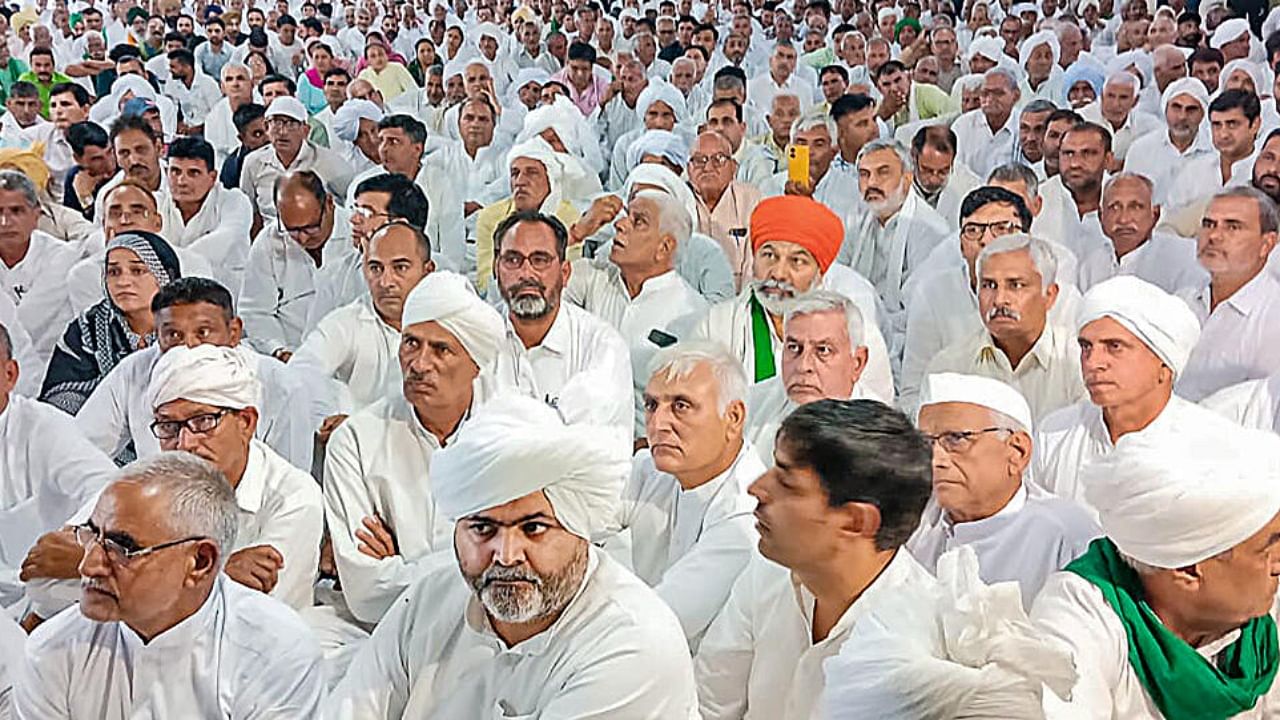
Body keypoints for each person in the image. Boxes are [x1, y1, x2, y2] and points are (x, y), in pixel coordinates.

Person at [330, 394, 698, 716]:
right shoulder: (427, 602)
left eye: (534, 528)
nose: (506, 556)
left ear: (580, 528)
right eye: (482, 529)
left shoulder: (633, 644)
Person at [14, 453, 325, 717]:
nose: (88, 565)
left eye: (122, 548)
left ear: (200, 562)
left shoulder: (274, 652)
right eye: (92, 536)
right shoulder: (53, 648)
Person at [694, 399, 934, 720]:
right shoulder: (768, 572)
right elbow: (707, 705)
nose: (756, 488)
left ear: (855, 521)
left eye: (786, 482)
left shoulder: (919, 645)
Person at [1031, 424, 1280, 718]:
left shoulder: (1259, 617)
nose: (1278, 562)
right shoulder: (1077, 618)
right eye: (1269, 547)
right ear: (1188, 569)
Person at [322, 270, 505, 627]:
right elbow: (366, 594)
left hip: (495, 627)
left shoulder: (511, 433)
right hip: (387, 630)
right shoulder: (356, 441)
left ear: (475, 364)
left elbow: (521, 567)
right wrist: (476, 555)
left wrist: (405, 567)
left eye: (441, 350)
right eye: (411, 343)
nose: (419, 365)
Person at [607, 341, 762, 647]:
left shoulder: (747, 516)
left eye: (681, 406)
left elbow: (662, 622)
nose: (658, 424)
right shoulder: (650, 469)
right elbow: (571, 518)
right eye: (652, 405)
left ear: (733, 418)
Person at [146, 344, 322, 610]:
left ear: (246, 422)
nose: (185, 443)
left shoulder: (293, 496)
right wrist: (221, 574)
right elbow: (90, 565)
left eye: (203, 421)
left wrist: (156, 579)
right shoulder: (150, 483)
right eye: (169, 426)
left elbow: (253, 613)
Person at [76, 277, 315, 471]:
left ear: (234, 333)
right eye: (174, 336)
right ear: (156, 336)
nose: (189, 346)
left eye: (203, 332)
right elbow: (81, 451)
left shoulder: (282, 384)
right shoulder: (136, 371)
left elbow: (289, 477)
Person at [1034, 275, 1226, 511]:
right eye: (1086, 347)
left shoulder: (1208, 447)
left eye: (1114, 347)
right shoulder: (1054, 434)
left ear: (1164, 365)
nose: (1093, 362)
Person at [908, 372, 1098, 607]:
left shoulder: (1068, 538)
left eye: (956, 439)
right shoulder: (912, 520)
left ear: (1017, 452)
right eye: (926, 443)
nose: (936, 459)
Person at [694, 195, 894, 403]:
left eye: (796, 261)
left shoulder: (856, 334)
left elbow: (876, 419)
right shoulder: (717, 326)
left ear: (820, 274)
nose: (778, 273)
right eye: (769, 256)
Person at [565, 189, 708, 435]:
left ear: (664, 248)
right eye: (625, 216)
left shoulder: (692, 313)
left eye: (637, 221)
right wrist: (577, 232)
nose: (619, 225)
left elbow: (694, 410)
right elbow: (529, 285)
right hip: (577, 436)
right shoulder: (593, 277)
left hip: (647, 453)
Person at [0, 320, 116, 610]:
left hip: (41, 600)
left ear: (10, 374)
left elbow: (108, 490)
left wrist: (78, 540)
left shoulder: (42, 427)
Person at [490, 210, 632, 432]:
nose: (526, 273)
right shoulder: (475, 336)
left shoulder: (601, 346)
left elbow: (588, 448)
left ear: (565, 273)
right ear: (495, 269)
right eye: (513, 260)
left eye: (540, 260)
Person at [924, 234, 1085, 420]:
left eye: (1015, 285)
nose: (999, 300)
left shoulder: (1077, 363)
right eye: (989, 285)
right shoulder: (949, 367)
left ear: (1050, 295)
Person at [291, 220, 433, 419]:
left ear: (427, 271)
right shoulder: (348, 321)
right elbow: (299, 373)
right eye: (376, 268)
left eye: (400, 268)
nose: (385, 282)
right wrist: (334, 415)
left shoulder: (450, 321)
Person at [39, 231, 179, 415]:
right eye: (114, 272)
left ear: (164, 276)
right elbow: (60, 394)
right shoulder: (87, 327)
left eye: (137, 271)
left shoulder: (186, 323)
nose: (123, 281)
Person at [839, 138, 949, 349]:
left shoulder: (929, 229)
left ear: (907, 180)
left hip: (906, 338)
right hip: (855, 326)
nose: (871, 183)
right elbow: (840, 275)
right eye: (864, 174)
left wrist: (872, 325)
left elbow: (920, 308)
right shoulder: (856, 218)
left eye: (883, 172)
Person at [744, 290, 873, 465]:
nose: (803, 366)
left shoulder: (879, 439)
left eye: (823, 350)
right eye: (794, 348)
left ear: (857, 362)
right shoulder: (750, 406)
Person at [240, 170, 357, 360]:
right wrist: (279, 350)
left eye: (311, 227)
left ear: (329, 204)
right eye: (292, 230)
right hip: (286, 353)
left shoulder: (357, 235)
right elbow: (255, 311)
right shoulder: (269, 240)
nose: (302, 238)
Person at [1177, 187, 1280, 401]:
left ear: (1267, 244)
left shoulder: (1273, 315)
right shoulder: (1184, 298)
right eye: (1208, 224)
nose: (1213, 236)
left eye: (1233, 227)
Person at [343, 114, 466, 271]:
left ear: (417, 149)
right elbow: (353, 240)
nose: (384, 149)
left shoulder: (441, 183)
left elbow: (453, 249)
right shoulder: (362, 184)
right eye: (381, 141)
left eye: (394, 142)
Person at [473, 138, 586, 293]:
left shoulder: (568, 217)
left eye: (531, 173)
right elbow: (485, 283)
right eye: (515, 173)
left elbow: (566, 281)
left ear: (550, 180)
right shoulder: (490, 217)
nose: (520, 181)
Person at [0, 170, 77, 374]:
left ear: (36, 215)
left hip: (54, 371)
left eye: (16, 211)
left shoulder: (64, 259)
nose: (5, 223)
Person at [1077, 173, 1205, 293]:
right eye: (1114, 207)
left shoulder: (1183, 257)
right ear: (1101, 216)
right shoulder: (1091, 266)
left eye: (1135, 207)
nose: (1124, 219)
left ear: (1155, 215)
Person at [238, 96, 351, 227]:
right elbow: (249, 212)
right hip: (273, 240)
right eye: (276, 123)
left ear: (306, 130)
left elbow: (351, 200)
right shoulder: (253, 163)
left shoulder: (328, 161)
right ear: (266, 127)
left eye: (291, 124)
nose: (282, 132)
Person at [689, 130, 763, 290]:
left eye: (719, 159)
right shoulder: (679, 199)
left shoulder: (751, 199)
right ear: (688, 169)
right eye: (699, 160)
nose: (708, 167)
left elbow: (754, 265)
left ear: (733, 168)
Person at [1123, 77, 1214, 206]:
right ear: (1165, 109)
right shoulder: (1141, 149)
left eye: (1191, 110)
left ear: (1203, 114)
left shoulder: (1213, 151)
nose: (1182, 117)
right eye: (1176, 107)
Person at [954, 67, 1022, 179]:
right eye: (985, 94)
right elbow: (955, 170)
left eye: (998, 93)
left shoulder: (1024, 125)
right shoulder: (963, 125)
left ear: (1016, 96)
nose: (989, 99)